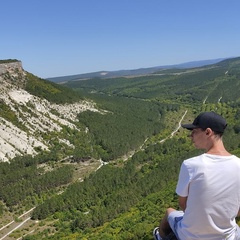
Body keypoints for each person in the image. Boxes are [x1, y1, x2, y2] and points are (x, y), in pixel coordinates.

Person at [153, 111, 240, 240]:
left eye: (194, 131)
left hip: (190, 235)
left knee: (169, 212)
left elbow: (183, 205)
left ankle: (159, 237)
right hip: (228, 236)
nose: (191, 136)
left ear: (208, 132)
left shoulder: (191, 165)